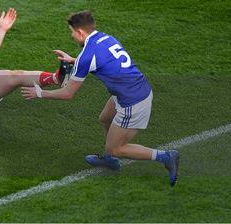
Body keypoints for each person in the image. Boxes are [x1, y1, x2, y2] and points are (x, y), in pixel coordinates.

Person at [21, 11, 180, 187]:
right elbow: (102, 60)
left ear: (80, 32)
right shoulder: (105, 38)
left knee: (116, 148)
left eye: (72, 32)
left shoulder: (87, 55)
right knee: (105, 118)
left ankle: (165, 156)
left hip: (133, 102)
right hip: (131, 91)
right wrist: (74, 60)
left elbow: (67, 94)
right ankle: (110, 160)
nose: (72, 36)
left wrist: (40, 93)